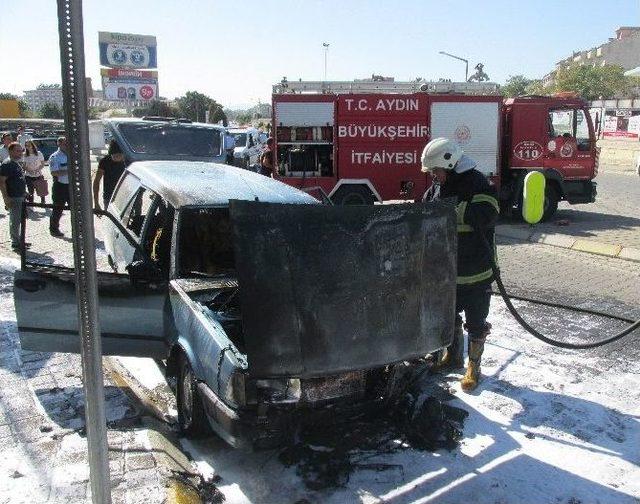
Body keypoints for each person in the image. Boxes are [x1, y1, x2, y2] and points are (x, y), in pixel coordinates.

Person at [420, 137, 499, 392]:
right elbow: (424, 210)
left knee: (476, 322)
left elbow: (487, 215)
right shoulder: (437, 187)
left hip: (476, 272)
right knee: (449, 317)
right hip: (448, 271)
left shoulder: (479, 183)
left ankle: (474, 368)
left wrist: (447, 212)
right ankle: (452, 357)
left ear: (451, 164)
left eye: (436, 170)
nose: (434, 175)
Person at [0, 142, 29, 251]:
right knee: (15, 220)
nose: (20, 153)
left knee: (21, 219)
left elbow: (19, 179)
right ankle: (15, 242)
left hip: (20, 195)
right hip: (13, 196)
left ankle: (20, 240)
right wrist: (6, 198)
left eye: (21, 150)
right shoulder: (7, 164)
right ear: (10, 151)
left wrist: (24, 191)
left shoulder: (16, 163)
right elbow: (2, 182)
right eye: (17, 151)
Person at [93, 140, 126, 211]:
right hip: (109, 197)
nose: (117, 158)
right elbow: (97, 181)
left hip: (125, 197)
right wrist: (96, 203)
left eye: (119, 156)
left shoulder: (127, 161)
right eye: (114, 156)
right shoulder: (104, 161)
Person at [49, 136, 70, 238]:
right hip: (60, 186)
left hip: (71, 186)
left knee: (76, 208)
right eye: (65, 144)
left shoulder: (72, 155)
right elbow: (54, 172)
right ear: (59, 144)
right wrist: (69, 171)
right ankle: (54, 229)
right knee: (58, 209)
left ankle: (80, 228)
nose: (67, 145)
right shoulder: (55, 157)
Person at [23, 140, 47, 204]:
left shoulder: (39, 153)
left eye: (29, 145)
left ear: (32, 145)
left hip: (38, 175)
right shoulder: (24, 155)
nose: (27, 147)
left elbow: (42, 164)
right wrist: (29, 171)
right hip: (28, 176)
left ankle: (43, 202)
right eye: (26, 145)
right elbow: (24, 166)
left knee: (41, 190)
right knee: (31, 191)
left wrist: (37, 170)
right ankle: (31, 203)